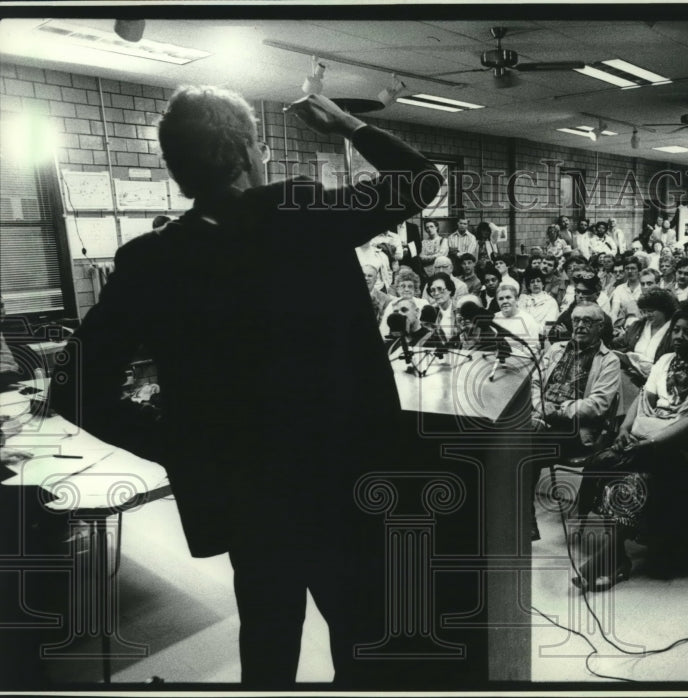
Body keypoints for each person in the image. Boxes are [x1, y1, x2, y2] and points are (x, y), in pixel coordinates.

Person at [48, 86, 444, 688]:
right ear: (243, 152)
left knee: (267, 636)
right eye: (257, 144)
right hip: (343, 483)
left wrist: (176, 444)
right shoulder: (304, 215)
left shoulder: (152, 260)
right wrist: (345, 123)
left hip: (244, 495)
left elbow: (73, 385)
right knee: (365, 638)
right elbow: (420, 181)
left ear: (177, 166)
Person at [571, 302, 688, 591]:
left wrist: (652, 442)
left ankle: (610, 559)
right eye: (676, 330)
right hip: (649, 437)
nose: (678, 336)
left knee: (636, 479)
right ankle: (616, 557)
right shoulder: (665, 361)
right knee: (604, 463)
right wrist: (625, 430)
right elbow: (644, 400)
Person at [529, 301, 622, 540]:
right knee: (508, 439)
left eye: (587, 321)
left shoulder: (609, 360)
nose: (580, 325)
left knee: (525, 447)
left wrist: (558, 410)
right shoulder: (555, 349)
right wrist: (541, 407)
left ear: (600, 326)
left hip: (577, 430)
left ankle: (524, 516)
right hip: (543, 419)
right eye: (576, 320)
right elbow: (534, 382)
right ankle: (519, 513)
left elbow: (597, 404)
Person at [613, 287, 677, 381]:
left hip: (657, 379)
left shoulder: (674, 331)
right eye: (644, 311)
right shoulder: (638, 326)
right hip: (630, 375)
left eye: (650, 311)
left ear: (664, 309)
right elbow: (618, 343)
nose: (647, 315)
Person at [493, 283, 541, 356]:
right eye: (501, 299)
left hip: (521, 360)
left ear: (516, 299)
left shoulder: (528, 320)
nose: (504, 301)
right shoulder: (494, 319)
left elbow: (531, 351)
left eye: (508, 297)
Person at [379, 267, 427, 337]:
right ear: (398, 289)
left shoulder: (423, 303)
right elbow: (384, 330)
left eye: (410, 286)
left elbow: (428, 328)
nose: (406, 289)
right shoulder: (392, 305)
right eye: (403, 286)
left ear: (415, 289)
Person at [425, 271, 459, 338]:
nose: (436, 293)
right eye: (433, 290)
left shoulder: (459, 309)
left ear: (449, 290)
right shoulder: (430, 311)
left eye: (440, 289)